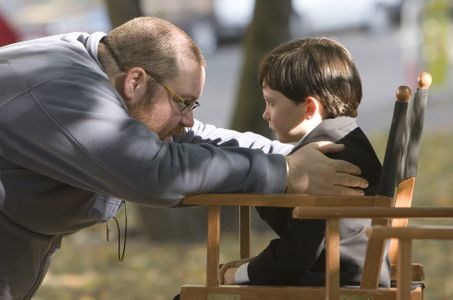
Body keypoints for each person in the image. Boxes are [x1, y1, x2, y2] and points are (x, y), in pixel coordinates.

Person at [0, 17, 368, 299]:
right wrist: (285, 172)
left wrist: (295, 154)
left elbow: (194, 136)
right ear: (135, 82)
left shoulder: (105, 70)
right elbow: (156, 173)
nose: (189, 118)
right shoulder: (65, 93)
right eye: (183, 103)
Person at [218, 37, 391, 287]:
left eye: (271, 102)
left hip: (333, 283)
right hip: (350, 273)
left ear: (309, 107)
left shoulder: (325, 159)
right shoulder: (349, 137)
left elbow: (297, 255)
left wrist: (238, 275)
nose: (265, 113)